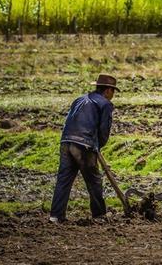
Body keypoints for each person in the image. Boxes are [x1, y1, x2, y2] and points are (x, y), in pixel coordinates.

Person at [49, 74, 119, 223]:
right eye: (113, 91)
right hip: (84, 144)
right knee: (94, 180)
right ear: (107, 90)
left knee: (64, 180)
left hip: (66, 141)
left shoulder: (79, 99)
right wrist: (98, 145)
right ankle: (99, 215)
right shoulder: (105, 104)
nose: (113, 95)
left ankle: (56, 215)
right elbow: (103, 130)